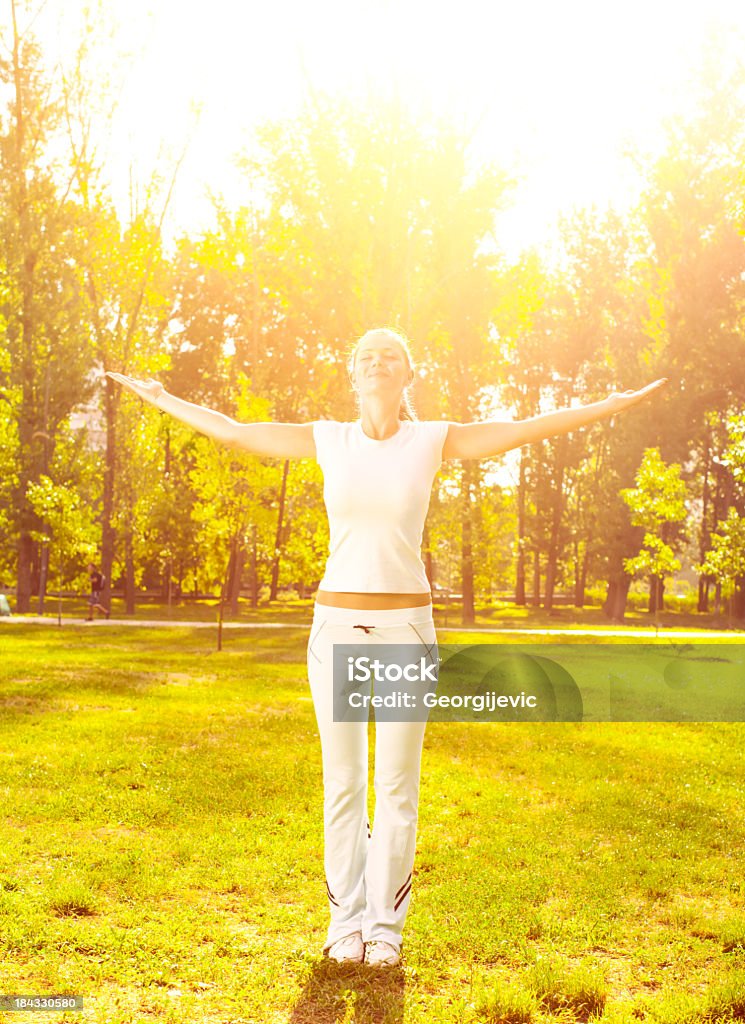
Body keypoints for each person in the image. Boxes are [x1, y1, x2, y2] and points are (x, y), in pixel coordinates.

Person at [106, 329, 666, 967]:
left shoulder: (431, 441)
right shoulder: (328, 439)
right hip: (336, 628)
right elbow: (235, 431)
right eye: (366, 354)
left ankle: (385, 930)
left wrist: (609, 404)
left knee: (397, 786)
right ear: (353, 374)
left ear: (406, 376)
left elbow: (527, 426)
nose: (377, 361)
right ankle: (344, 923)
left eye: (390, 355)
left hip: (406, 632)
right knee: (344, 782)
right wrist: (160, 397)